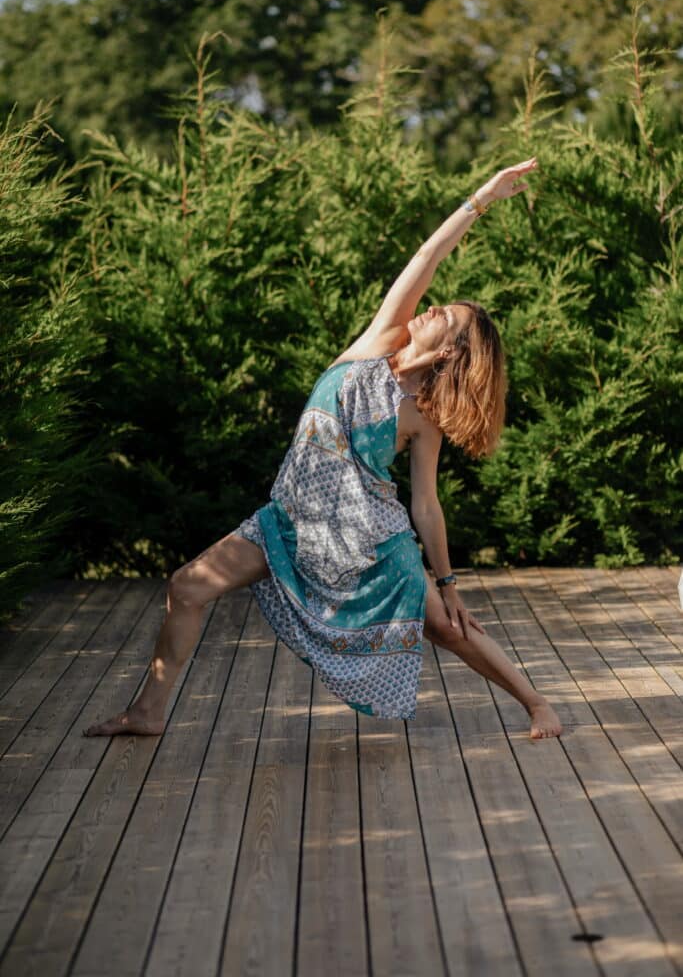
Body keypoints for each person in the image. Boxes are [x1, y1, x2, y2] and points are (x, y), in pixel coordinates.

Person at [84, 155, 562, 741]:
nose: (434, 306)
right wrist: (482, 195)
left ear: (451, 352)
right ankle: (147, 713)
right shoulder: (377, 343)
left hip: (369, 543)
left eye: (447, 316)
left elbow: (427, 504)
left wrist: (448, 582)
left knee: (446, 627)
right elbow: (425, 259)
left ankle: (539, 704)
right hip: (289, 523)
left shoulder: (423, 416)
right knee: (186, 586)